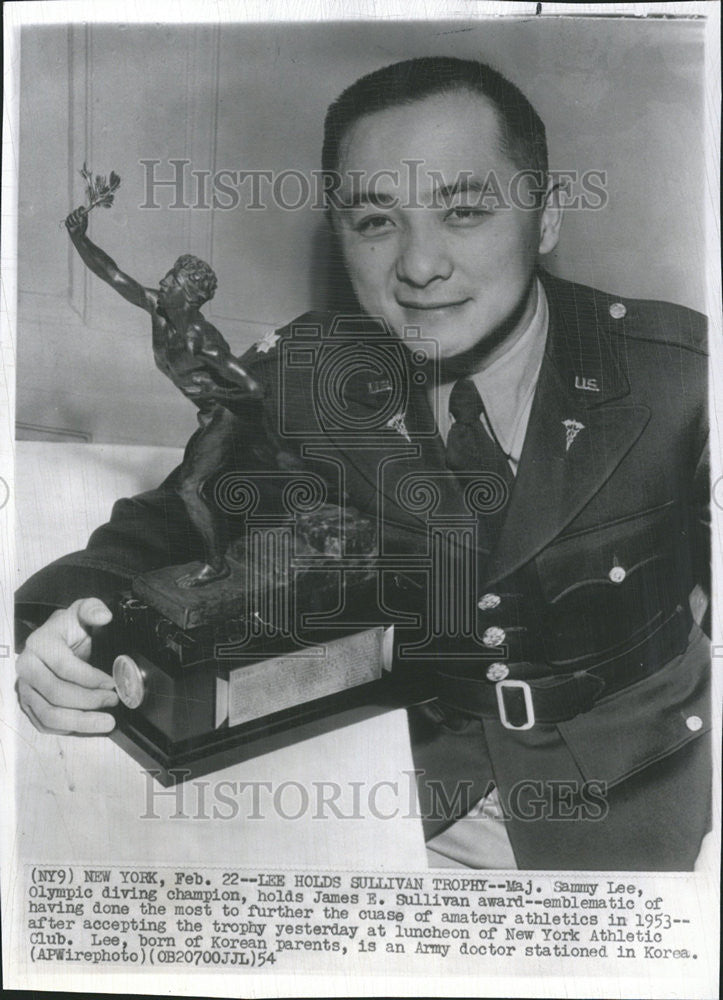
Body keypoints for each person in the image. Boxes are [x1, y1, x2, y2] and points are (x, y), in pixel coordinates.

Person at [16, 56, 709, 870]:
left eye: (464, 212)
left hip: (629, 807)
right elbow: (162, 531)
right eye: (375, 222)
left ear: (546, 218)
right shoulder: (305, 379)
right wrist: (60, 636)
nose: (418, 267)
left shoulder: (678, 375)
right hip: (390, 804)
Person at [65, 207, 263, 586]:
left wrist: (214, 390)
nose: (161, 282)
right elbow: (112, 274)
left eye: (171, 282)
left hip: (229, 415)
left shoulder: (202, 339)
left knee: (190, 487)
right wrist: (79, 237)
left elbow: (255, 389)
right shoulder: (158, 311)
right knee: (200, 482)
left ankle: (215, 564)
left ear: (188, 296)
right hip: (210, 417)